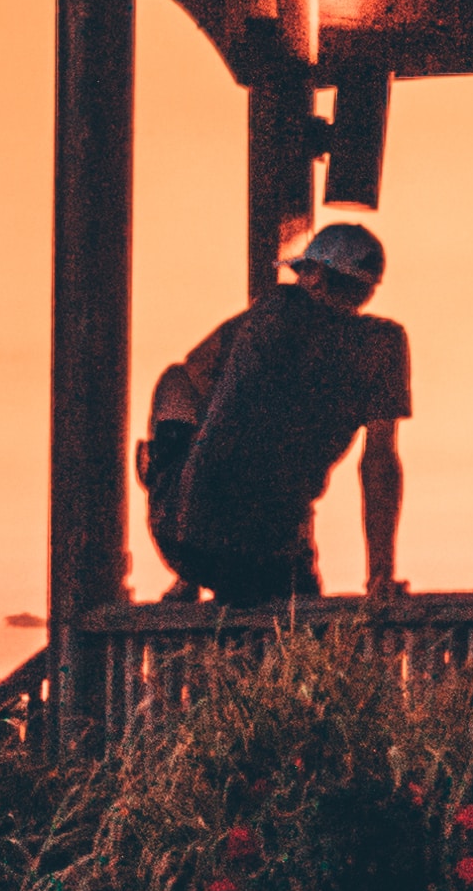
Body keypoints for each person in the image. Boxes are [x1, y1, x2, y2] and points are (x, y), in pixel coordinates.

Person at [151, 217, 410, 604]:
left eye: (302, 271)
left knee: (175, 383)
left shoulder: (269, 312)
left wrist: (172, 457)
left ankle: (185, 578)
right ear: (366, 291)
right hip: (272, 555)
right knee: (296, 616)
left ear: (317, 277)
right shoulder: (381, 346)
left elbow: (186, 377)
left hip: (184, 540)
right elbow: (379, 463)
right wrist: (380, 574)